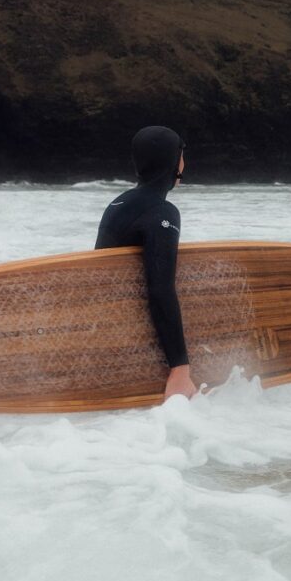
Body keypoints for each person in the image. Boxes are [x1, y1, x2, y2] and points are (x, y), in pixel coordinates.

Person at [95, 126, 196, 400]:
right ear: (174, 162)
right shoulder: (162, 211)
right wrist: (180, 369)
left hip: (104, 329)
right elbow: (160, 288)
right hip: (126, 337)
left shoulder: (119, 202)